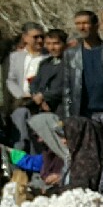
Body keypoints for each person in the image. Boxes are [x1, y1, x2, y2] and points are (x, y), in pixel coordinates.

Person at [67, 9, 103, 147]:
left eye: (85, 23)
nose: (82, 27)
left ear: (95, 25)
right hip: (85, 114)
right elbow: (67, 90)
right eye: (78, 24)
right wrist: (68, 121)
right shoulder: (71, 54)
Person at [26, 30, 70, 165]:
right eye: (49, 44)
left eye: (56, 43)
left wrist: (45, 96)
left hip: (63, 108)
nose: (52, 47)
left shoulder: (71, 62)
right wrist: (38, 98)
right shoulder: (45, 63)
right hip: (43, 109)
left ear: (64, 44)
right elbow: (35, 84)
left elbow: (69, 86)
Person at [8, 25, 45, 152]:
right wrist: (20, 95)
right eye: (36, 37)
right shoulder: (16, 56)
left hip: (41, 103)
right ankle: (19, 168)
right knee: (20, 138)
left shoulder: (47, 57)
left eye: (42, 37)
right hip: (21, 102)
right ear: (25, 38)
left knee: (38, 138)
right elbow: (11, 79)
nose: (40, 40)